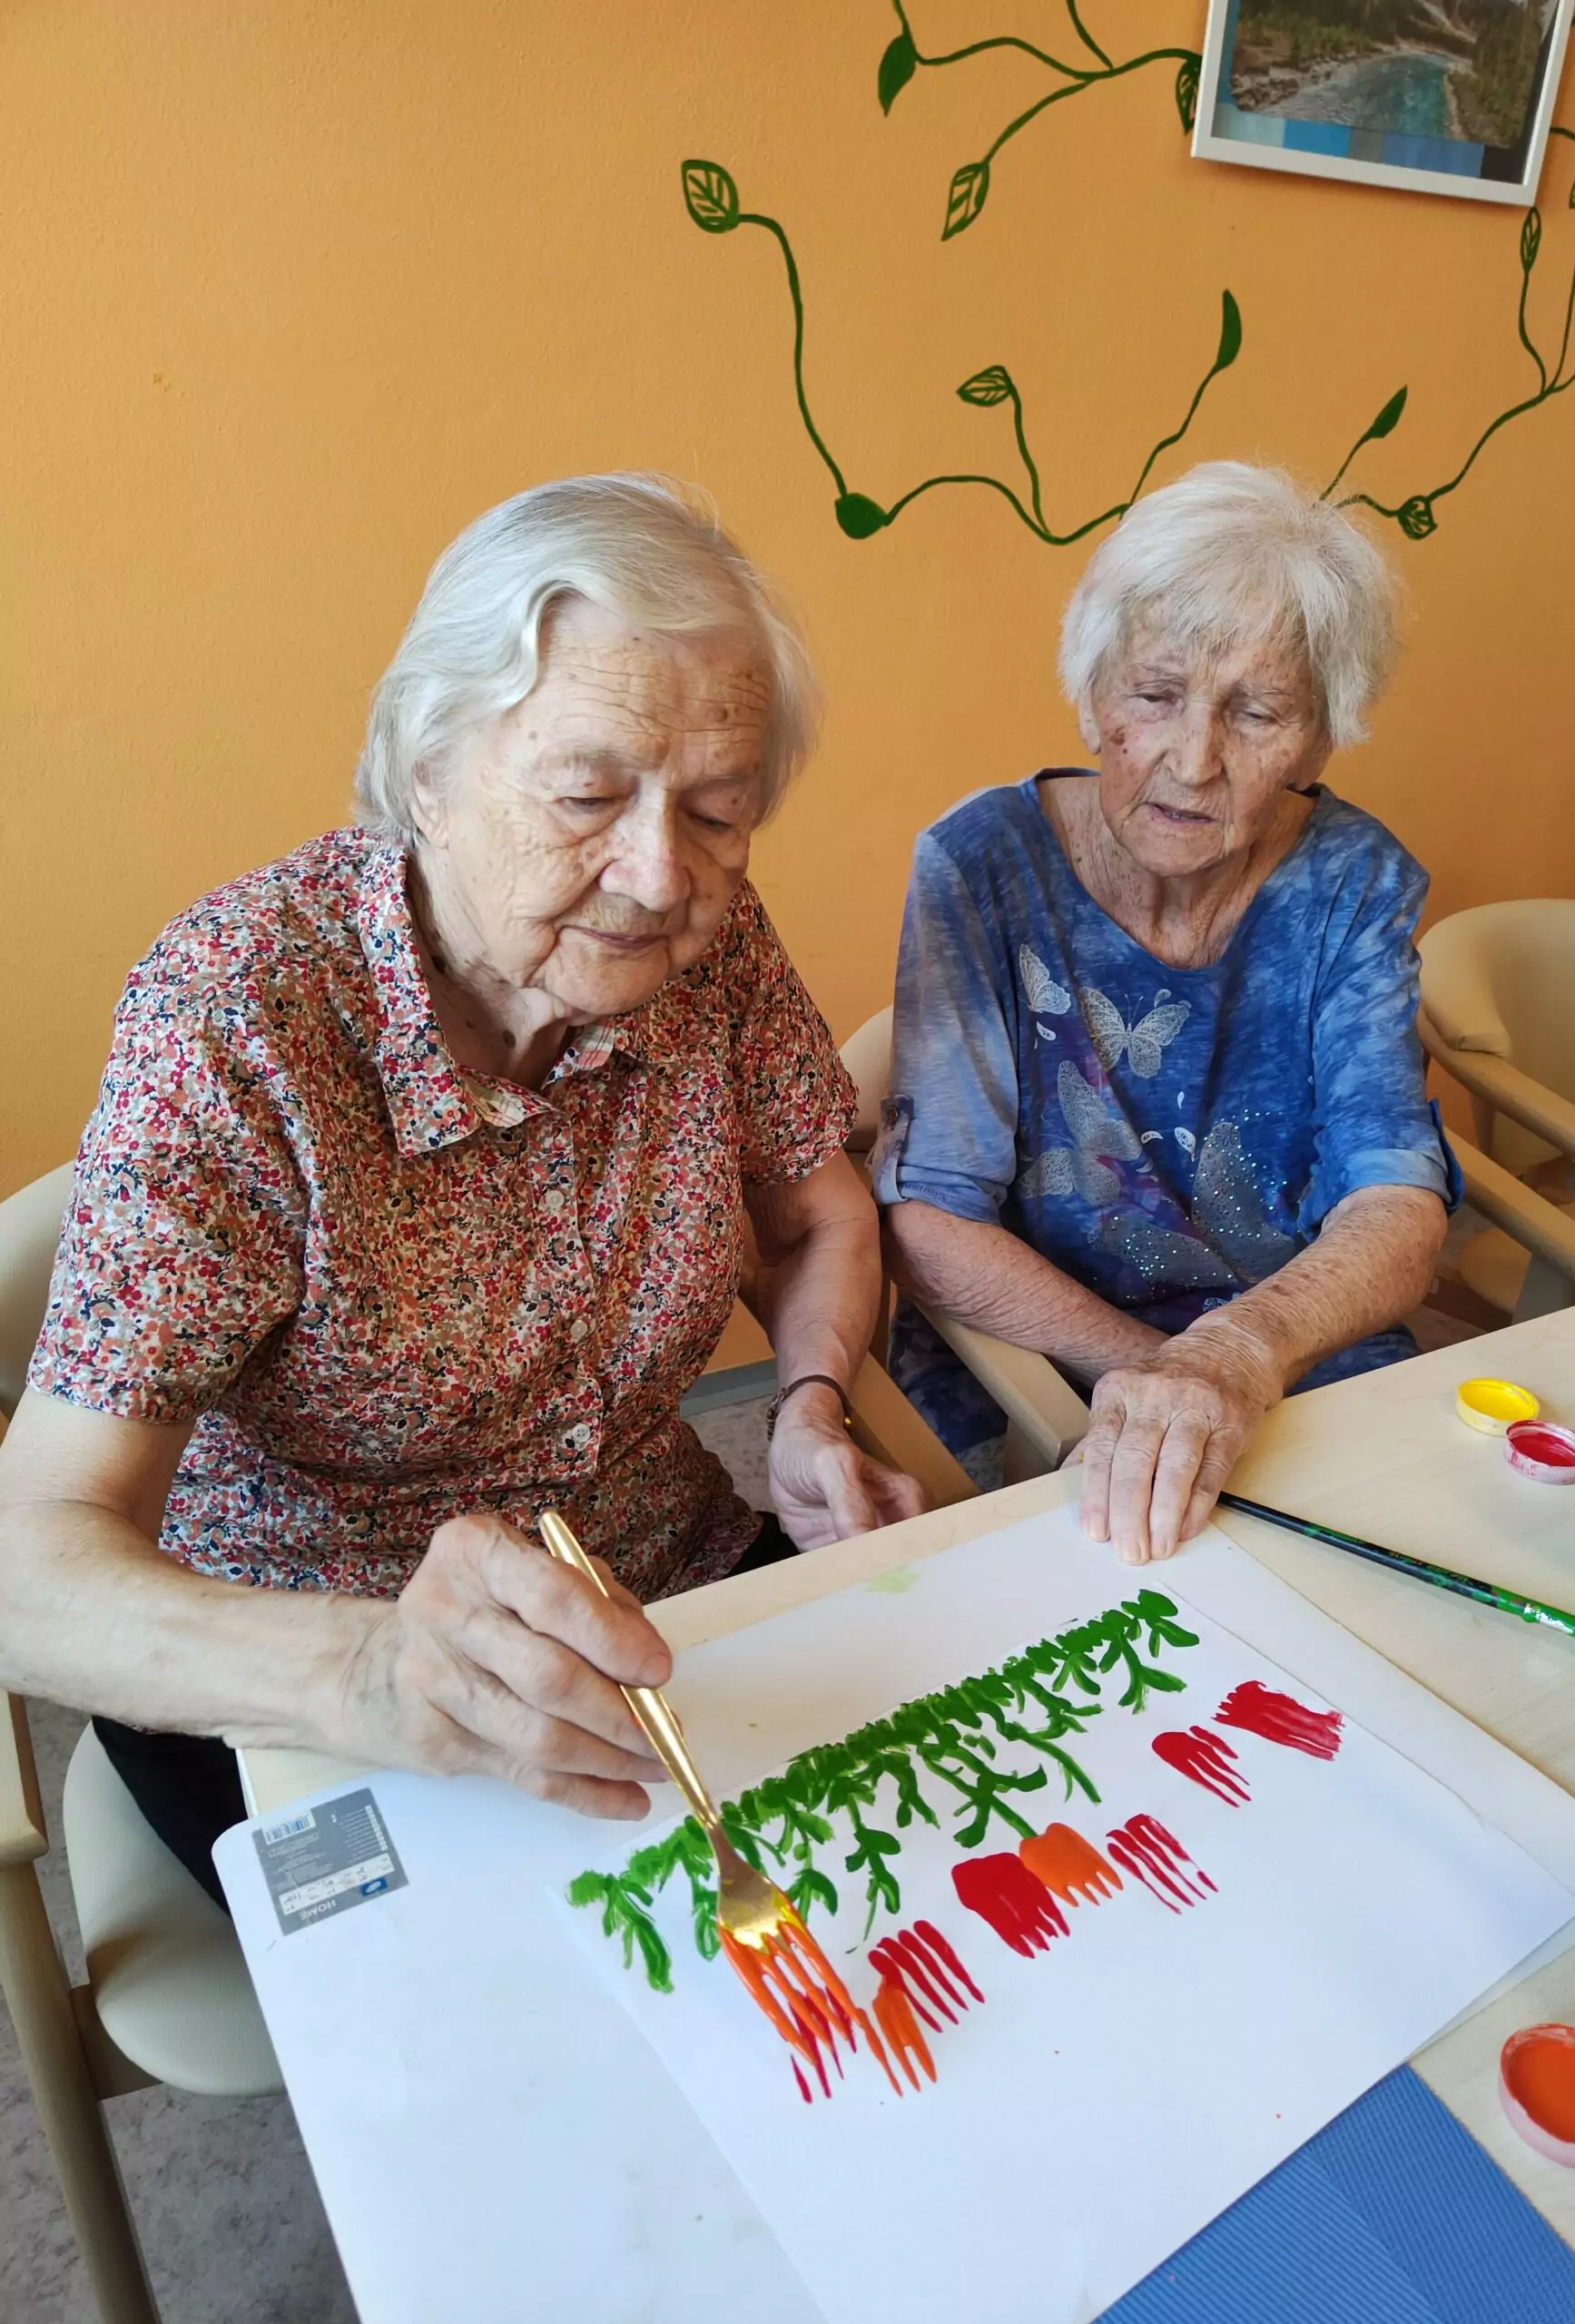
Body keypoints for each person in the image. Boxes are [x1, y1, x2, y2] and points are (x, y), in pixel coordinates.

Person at [0, 475, 925, 1904]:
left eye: (720, 809)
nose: (658, 872)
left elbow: (815, 1216)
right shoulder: (239, 1016)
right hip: (308, 1666)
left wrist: (806, 1405)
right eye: (588, 793)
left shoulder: (710, 946)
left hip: (657, 1579)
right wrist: (373, 1670)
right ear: (426, 768)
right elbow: (30, 1564)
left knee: (897, 1880)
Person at [876, 462, 1455, 1566]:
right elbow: (931, 1221)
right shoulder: (982, 862)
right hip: (1039, 1350)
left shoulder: (1354, 880)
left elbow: (1395, 1197)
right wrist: (1164, 1378)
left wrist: (1236, 1357)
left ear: (1320, 739)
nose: (1194, 761)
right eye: (1154, 695)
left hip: (1284, 1342)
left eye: (1258, 712)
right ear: (1093, 698)